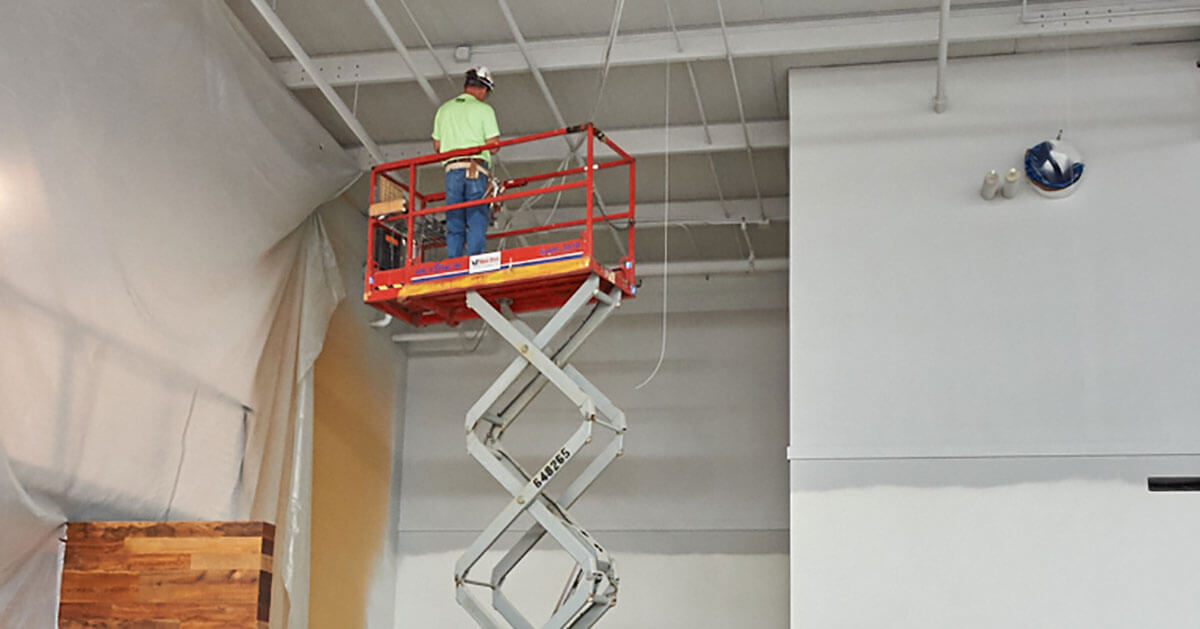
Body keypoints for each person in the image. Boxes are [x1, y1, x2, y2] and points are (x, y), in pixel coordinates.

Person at [432, 66, 500, 258]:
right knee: (476, 216)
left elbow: (437, 146)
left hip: (452, 170)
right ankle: (474, 260)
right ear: (483, 89)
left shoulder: (443, 110)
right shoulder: (484, 110)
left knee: (454, 218)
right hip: (475, 169)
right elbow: (493, 146)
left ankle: (454, 260)